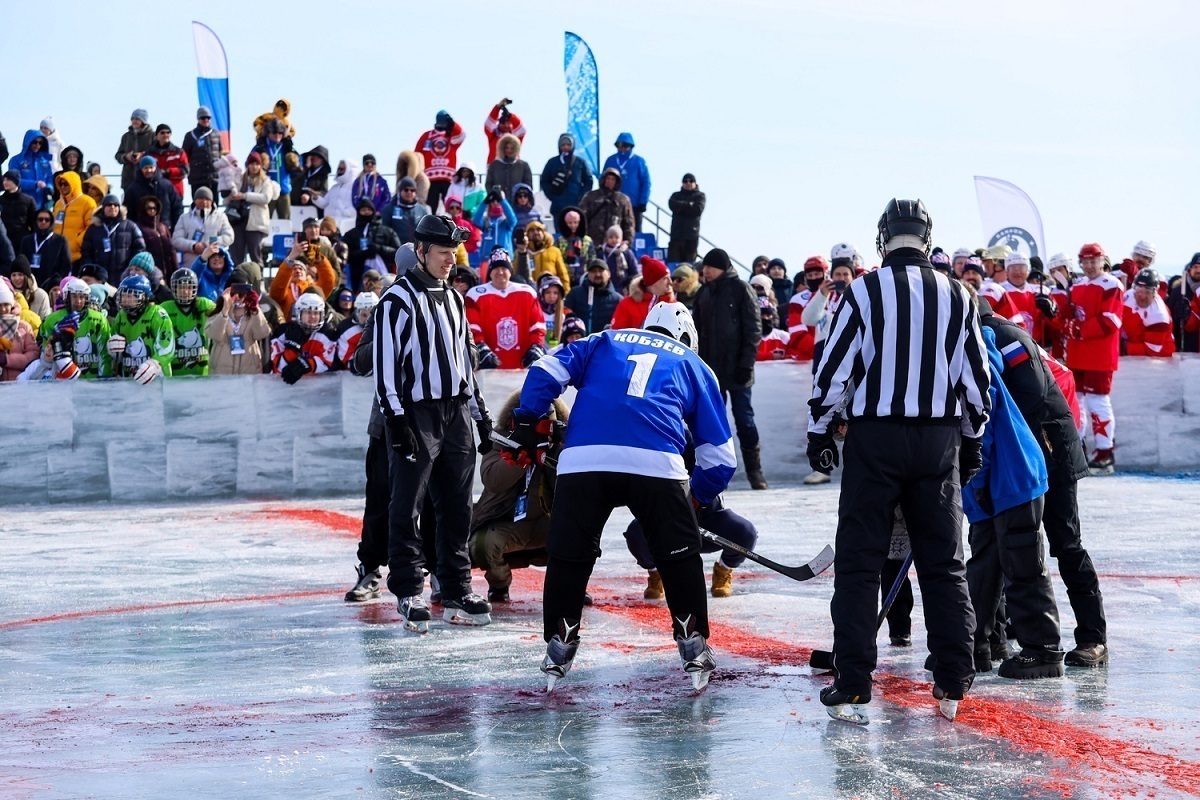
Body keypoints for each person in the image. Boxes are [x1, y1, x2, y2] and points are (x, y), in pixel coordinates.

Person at [807, 199, 990, 725]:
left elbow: (834, 370)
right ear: (926, 238)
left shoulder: (864, 290)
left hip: (875, 440)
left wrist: (820, 430)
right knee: (943, 563)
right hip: (937, 441)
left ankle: (854, 680)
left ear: (884, 238)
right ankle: (953, 678)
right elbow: (976, 381)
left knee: (860, 562)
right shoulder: (958, 293)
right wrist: (972, 440)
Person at [502, 301, 736, 692]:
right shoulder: (694, 364)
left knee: (570, 556)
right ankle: (693, 642)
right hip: (657, 465)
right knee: (679, 555)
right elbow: (720, 459)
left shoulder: (603, 339)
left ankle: (559, 642)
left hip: (584, 460)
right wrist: (695, 499)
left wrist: (529, 415)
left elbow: (545, 369)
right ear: (686, 337)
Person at [373, 214, 493, 632]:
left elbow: (464, 364)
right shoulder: (397, 300)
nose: (450, 261)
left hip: (455, 412)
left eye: (453, 253)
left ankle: (457, 587)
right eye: (443, 253)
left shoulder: (456, 299)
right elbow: (385, 366)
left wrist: (480, 415)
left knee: (458, 505)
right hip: (416, 414)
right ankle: (409, 589)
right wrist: (396, 420)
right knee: (408, 503)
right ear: (421, 251)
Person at [974, 299, 1107, 671]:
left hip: (1050, 448)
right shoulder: (989, 334)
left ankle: (1093, 637)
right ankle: (995, 637)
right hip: (1024, 455)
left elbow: (1031, 396)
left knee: (1065, 542)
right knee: (1002, 541)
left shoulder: (1004, 336)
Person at [963, 306, 1063, 680]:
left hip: (1011, 474)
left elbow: (981, 424)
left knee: (1022, 563)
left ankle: (1044, 650)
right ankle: (977, 644)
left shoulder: (970, 354)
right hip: (989, 481)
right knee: (984, 565)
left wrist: (979, 478)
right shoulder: (955, 352)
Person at [469, 391, 566, 603]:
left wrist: (558, 450)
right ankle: (499, 583)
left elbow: (577, 489)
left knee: (580, 533)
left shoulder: (568, 441)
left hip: (548, 522)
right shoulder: (502, 438)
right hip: (508, 522)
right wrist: (520, 456)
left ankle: (571, 585)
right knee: (483, 544)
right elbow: (493, 480)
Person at [625, 464, 759, 600]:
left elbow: (721, 467)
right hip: (669, 523)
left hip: (708, 519)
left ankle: (723, 569)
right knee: (636, 533)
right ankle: (657, 573)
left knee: (745, 532)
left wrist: (699, 496)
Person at [693, 248, 766, 490]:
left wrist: (746, 364)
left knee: (745, 420)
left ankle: (755, 472)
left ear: (722, 267)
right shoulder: (703, 293)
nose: (705, 271)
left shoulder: (741, 289)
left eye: (710, 267)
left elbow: (753, 329)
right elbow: (696, 332)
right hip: (711, 372)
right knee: (713, 423)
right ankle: (716, 474)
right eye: (704, 267)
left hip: (738, 370)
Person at [1056, 242, 1123, 475]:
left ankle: (1105, 453)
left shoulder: (1112, 284)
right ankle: (1079, 450)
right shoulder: (1078, 285)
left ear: (1103, 261)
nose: (1089, 266)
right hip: (1077, 354)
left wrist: (1078, 328)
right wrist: (1064, 315)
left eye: (1094, 261)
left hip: (1099, 355)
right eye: (1085, 262)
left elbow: (1111, 320)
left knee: (1097, 402)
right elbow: (1072, 316)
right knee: (1076, 403)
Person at [465, 249, 546, 369]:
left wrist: (536, 346)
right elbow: (472, 327)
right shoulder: (475, 295)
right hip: (489, 370)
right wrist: (480, 347)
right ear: (489, 272)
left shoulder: (528, 293)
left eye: (504, 268)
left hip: (521, 368)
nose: (500, 272)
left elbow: (537, 326)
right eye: (495, 268)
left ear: (510, 270)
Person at [106, 274, 175, 383]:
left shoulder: (156, 313)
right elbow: (115, 343)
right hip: (128, 378)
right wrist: (112, 349)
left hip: (157, 380)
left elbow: (168, 347)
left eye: (129, 296)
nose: (124, 300)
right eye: (123, 296)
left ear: (143, 296)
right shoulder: (121, 315)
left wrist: (155, 364)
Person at [159, 268, 216, 376]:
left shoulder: (204, 304)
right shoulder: (165, 308)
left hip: (202, 374)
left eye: (189, 287)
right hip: (175, 376)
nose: (185, 292)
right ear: (174, 288)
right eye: (180, 287)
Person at [270, 292, 336, 382]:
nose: (313, 317)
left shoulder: (327, 333)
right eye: (308, 312)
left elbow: (327, 362)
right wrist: (292, 349)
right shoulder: (282, 332)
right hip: (282, 385)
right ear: (299, 313)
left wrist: (306, 364)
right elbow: (280, 367)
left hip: (316, 386)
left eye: (316, 313)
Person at [227, 152, 278, 266]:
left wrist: (245, 196)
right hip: (238, 219)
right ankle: (237, 276)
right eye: (252, 164)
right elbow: (227, 197)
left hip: (256, 222)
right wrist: (230, 196)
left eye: (257, 164)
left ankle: (258, 276)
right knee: (236, 255)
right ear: (247, 165)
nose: (254, 167)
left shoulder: (265, 181)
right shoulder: (240, 179)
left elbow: (265, 198)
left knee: (255, 254)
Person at [207, 282, 270, 375]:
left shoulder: (253, 313)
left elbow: (262, 334)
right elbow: (214, 335)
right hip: (222, 372)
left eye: (242, 293)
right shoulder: (218, 312)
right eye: (233, 293)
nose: (237, 297)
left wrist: (255, 309)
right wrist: (225, 309)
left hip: (249, 371)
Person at [269, 242, 338, 322]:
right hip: (289, 326)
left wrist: (318, 259)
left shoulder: (315, 289)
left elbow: (328, 281)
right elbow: (278, 287)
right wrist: (290, 259)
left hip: (313, 325)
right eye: (294, 269)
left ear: (306, 274)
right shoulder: (285, 292)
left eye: (301, 268)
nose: (298, 271)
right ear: (288, 274)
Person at [172, 187, 234, 272]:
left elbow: (229, 236)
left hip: (214, 264)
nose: (204, 201)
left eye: (207, 199)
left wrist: (209, 243)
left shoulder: (221, 217)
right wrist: (193, 246)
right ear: (195, 200)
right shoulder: (184, 218)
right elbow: (176, 239)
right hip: (191, 264)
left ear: (212, 201)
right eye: (200, 198)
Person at [415, 111, 466, 214]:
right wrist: (417, 173)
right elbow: (417, 155)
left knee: (451, 204)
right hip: (430, 179)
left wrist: (453, 124)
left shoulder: (451, 136)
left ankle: (454, 222)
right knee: (430, 206)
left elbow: (462, 135)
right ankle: (430, 222)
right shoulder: (427, 136)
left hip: (448, 179)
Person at [81, 194, 145, 274]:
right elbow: (86, 252)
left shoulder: (131, 226)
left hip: (124, 274)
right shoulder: (93, 228)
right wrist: (92, 271)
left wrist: (131, 269)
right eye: (109, 204)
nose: (112, 207)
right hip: (100, 275)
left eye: (116, 205)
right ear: (103, 208)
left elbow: (140, 249)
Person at [346, 198, 401, 289]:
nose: (366, 212)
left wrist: (380, 249)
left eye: (369, 210)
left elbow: (398, 252)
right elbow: (347, 256)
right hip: (358, 278)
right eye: (363, 210)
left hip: (386, 275)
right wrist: (363, 253)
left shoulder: (387, 231)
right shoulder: (351, 234)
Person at [602, 133, 651, 232]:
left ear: (631, 146)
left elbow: (646, 182)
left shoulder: (639, 161)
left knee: (633, 230)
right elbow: (603, 179)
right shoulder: (611, 160)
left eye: (625, 145)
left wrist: (643, 201)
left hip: (634, 204)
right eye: (619, 145)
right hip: (613, 203)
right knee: (612, 230)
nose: (622, 148)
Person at [1122, 268, 1174, 357]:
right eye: (1139, 291)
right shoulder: (1128, 295)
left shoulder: (1159, 315)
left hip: (1157, 353)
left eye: (1147, 292)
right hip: (1133, 340)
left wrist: (1124, 348)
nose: (1142, 296)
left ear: (1155, 292)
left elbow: (1151, 349)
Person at [612, 257, 674, 330]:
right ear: (653, 281)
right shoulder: (627, 305)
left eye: (670, 277)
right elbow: (615, 333)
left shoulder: (673, 304)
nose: (670, 282)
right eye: (665, 278)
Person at [540, 133, 594, 218]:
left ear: (573, 145)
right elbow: (544, 181)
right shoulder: (552, 162)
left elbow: (588, 181)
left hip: (576, 206)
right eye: (563, 144)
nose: (565, 147)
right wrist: (552, 196)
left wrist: (581, 196)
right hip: (558, 207)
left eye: (568, 144)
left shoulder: (580, 162)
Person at [786, 256, 829, 360]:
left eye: (817, 274)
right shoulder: (797, 300)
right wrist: (819, 351)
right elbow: (796, 333)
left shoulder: (837, 295)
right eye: (810, 275)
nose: (814, 278)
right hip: (808, 358)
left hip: (836, 355)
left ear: (825, 274)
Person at [563, 259, 622, 334]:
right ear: (588, 275)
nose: (597, 274)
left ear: (608, 274)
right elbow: (565, 316)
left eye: (600, 271)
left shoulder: (617, 300)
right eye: (593, 271)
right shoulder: (575, 294)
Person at [579, 168, 635, 246]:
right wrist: (580, 238)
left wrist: (628, 242)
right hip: (592, 242)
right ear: (603, 179)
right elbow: (581, 218)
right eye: (608, 178)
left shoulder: (623, 200)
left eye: (613, 179)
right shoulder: (591, 196)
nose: (610, 181)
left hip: (614, 243)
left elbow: (629, 224)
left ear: (617, 182)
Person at [51, 172, 97, 265]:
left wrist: (78, 242)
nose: (63, 187)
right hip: (57, 255)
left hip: (78, 256)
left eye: (66, 184)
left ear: (74, 184)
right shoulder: (58, 204)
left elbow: (91, 226)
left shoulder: (87, 202)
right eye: (61, 184)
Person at [126, 156, 183, 230]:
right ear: (141, 169)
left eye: (151, 167)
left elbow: (177, 207)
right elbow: (130, 212)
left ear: (155, 167)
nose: (149, 170)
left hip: (165, 229)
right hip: (141, 230)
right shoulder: (133, 189)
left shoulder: (167, 185)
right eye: (145, 168)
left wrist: (176, 227)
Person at [20, 208, 72, 286]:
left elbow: (66, 265)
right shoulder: (26, 240)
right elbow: (22, 262)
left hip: (52, 284)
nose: (43, 222)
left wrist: (58, 282)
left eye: (47, 220)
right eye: (40, 219)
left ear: (51, 222)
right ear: (36, 221)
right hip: (30, 284)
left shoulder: (61, 240)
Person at [0, 281, 39, 381]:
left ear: (11, 305)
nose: (3, 309)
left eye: (6, 304)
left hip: (20, 384)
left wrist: (7, 360)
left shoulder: (24, 327)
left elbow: (33, 355)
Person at [182, 107, 221, 198]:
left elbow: (220, 152)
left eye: (208, 118)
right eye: (203, 118)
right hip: (197, 178)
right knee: (198, 202)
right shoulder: (190, 135)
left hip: (214, 178)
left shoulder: (216, 134)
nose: (206, 120)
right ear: (198, 119)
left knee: (214, 203)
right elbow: (185, 156)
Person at [133, 195, 177, 275]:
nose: (152, 210)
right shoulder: (138, 227)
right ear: (143, 209)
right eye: (149, 208)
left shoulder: (163, 227)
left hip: (168, 270)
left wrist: (176, 269)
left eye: (155, 208)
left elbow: (172, 250)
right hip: (150, 271)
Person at [381, 178, 430, 246]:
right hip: (397, 248)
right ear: (400, 191)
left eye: (412, 190)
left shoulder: (421, 210)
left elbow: (427, 230)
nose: (409, 192)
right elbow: (383, 230)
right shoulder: (389, 209)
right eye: (406, 190)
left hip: (417, 249)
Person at [553, 206, 595, 287]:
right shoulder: (559, 241)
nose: (573, 226)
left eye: (575, 223)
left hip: (583, 276)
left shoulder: (587, 240)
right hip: (565, 277)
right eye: (570, 223)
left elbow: (592, 258)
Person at [668, 174, 705, 263]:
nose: (688, 183)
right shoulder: (675, 195)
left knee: (689, 266)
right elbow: (672, 204)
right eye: (685, 181)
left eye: (691, 181)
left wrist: (680, 208)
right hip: (676, 236)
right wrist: (689, 205)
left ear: (695, 183)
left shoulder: (700, 196)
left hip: (691, 237)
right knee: (673, 265)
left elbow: (697, 210)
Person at [1167, 253, 1200, 353]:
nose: (1198, 270)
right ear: (1190, 269)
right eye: (1195, 267)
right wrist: (1178, 314)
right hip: (1182, 345)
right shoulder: (1179, 291)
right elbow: (1169, 317)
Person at [472, 189, 517, 262]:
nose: (495, 203)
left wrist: (503, 201)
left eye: (498, 200)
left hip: (505, 259)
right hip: (487, 259)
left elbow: (513, 220)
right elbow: (476, 221)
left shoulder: (506, 222)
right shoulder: (486, 221)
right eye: (493, 201)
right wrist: (484, 202)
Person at [520, 221, 569, 289]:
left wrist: (566, 291)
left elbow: (563, 274)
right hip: (530, 291)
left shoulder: (554, 251)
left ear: (543, 233)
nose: (536, 233)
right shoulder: (522, 252)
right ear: (527, 235)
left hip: (550, 291)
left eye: (538, 230)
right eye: (532, 230)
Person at [485, 134, 532, 203]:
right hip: (498, 203)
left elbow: (528, 185)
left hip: (518, 204)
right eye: (506, 148)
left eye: (512, 148)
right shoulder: (494, 165)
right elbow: (488, 184)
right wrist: (494, 197)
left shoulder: (523, 165)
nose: (509, 150)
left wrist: (522, 198)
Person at [335, 291, 377, 367]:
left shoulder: (387, 325)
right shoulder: (346, 329)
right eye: (364, 315)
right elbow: (349, 362)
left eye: (372, 315)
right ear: (357, 313)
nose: (368, 320)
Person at [115, 109, 154, 192]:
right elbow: (118, 155)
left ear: (143, 121)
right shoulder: (126, 137)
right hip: (128, 181)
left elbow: (157, 153)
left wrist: (143, 155)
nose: (134, 121)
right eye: (132, 119)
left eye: (137, 119)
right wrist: (126, 157)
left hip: (146, 180)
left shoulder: (152, 136)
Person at [14, 130, 54, 210]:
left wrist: (49, 188)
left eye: (40, 143)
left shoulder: (45, 162)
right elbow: (14, 181)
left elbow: (50, 178)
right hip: (23, 204)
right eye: (35, 142)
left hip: (42, 205)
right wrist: (35, 184)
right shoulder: (16, 160)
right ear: (28, 142)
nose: (37, 145)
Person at [147, 124, 189, 197]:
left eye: (168, 132)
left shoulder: (179, 152)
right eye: (162, 133)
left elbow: (185, 170)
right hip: (155, 191)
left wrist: (168, 172)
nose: (165, 135)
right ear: (157, 136)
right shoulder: (150, 153)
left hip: (175, 192)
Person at [2, 171, 38, 254]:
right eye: (4, 180)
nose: (5, 182)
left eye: (8, 180)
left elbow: (34, 223)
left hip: (22, 241)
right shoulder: (1, 200)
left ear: (16, 181)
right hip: (4, 241)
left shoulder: (28, 200)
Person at [484, 99, 526, 164]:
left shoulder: (515, 136)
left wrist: (510, 116)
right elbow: (488, 126)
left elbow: (522, 130)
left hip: (513, 167)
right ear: (499, 123)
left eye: (508, 123)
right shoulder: (493, 135)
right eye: (503, 122)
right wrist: (497, 108)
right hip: (495, 167)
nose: (506, 125)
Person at [293, 146, 331, 210]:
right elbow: (294, 180)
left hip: (313, 209)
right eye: (313, 155)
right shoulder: (304, 170)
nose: (315, 158)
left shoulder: (324, 175)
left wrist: (310, 195)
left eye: (319, 157)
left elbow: (324, 192)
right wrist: (306, 167)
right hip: (296, 205)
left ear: (323, 161)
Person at [539, 275, 566, 346]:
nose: (551, 296)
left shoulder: (562, 316)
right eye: (548, 292)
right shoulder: (537, 313)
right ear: (542, 293)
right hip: (539, 350)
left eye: (555, 293)